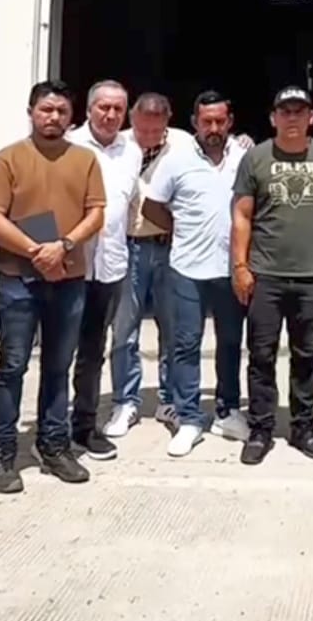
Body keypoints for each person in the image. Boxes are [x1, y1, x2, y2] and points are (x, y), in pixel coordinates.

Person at [0, 80, 106, 493]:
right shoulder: (7, 159)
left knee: (58, 366)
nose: (53, 117)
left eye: (61, 111)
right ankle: (3, 453)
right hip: (19, 280)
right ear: (31, 111)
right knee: (12, 366)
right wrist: (38, 250)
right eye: (46, 110)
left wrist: (65, 246)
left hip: (69, 279)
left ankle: (54, 445)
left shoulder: (85, 159)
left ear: (72, 117)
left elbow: (96, 213)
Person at [231, 87, 313, 465]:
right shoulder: (256, 157)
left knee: (306, 354)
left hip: (311, 276)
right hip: (265, 276)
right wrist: (240, 267)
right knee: (261, 355)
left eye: (299, 111)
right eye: (285, 111)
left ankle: (303, 427)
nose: (292, 117)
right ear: (273, 117)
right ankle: (261, 429)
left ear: (311, 117)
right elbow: (242, 215)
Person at [143, 91, 250, 457]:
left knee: (231, 344)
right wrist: (177, 229)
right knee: (185, 345)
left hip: (232, 269)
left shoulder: (245, 157)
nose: (214, 128)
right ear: (195, 123)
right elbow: (152, 205)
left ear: (230, 122)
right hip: (186, 268)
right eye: (207, 121)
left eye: (220, 121)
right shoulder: (177, 159)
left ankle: (228, 411)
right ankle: (189, 418)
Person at [106, 92, 193, 438]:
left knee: (173, 328)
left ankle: (169, 398)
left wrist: (241, 142)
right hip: (128, 245)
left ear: (168, 121)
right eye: (142, 131)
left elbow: (222, 154)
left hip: (169, 246)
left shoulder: (184, 145)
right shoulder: (117, 143)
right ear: (132, 119)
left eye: (156, 132)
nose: (148, 139)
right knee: (124, 329)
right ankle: (125, 400)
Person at [67, 80, 141, 461]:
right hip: (68, 267)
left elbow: (129, 208)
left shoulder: (132, 151)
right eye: (103, 107)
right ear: (89, 109)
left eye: (118, 109)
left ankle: (84, 425)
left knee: (93, 351)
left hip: (110, 265)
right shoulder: (68, 144)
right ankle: (52, 428)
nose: (110, 115)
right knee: (59, 351)